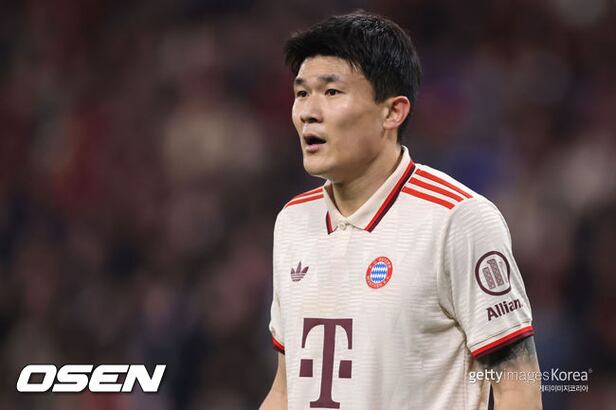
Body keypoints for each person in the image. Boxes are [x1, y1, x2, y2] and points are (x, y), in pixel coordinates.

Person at [261, 11, 541, 410]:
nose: (308, 111)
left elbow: (518, 385)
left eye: (332, 92)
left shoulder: (457, 219)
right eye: (302, 93)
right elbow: (286, 390)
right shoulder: (293, 221)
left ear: (393, 112)